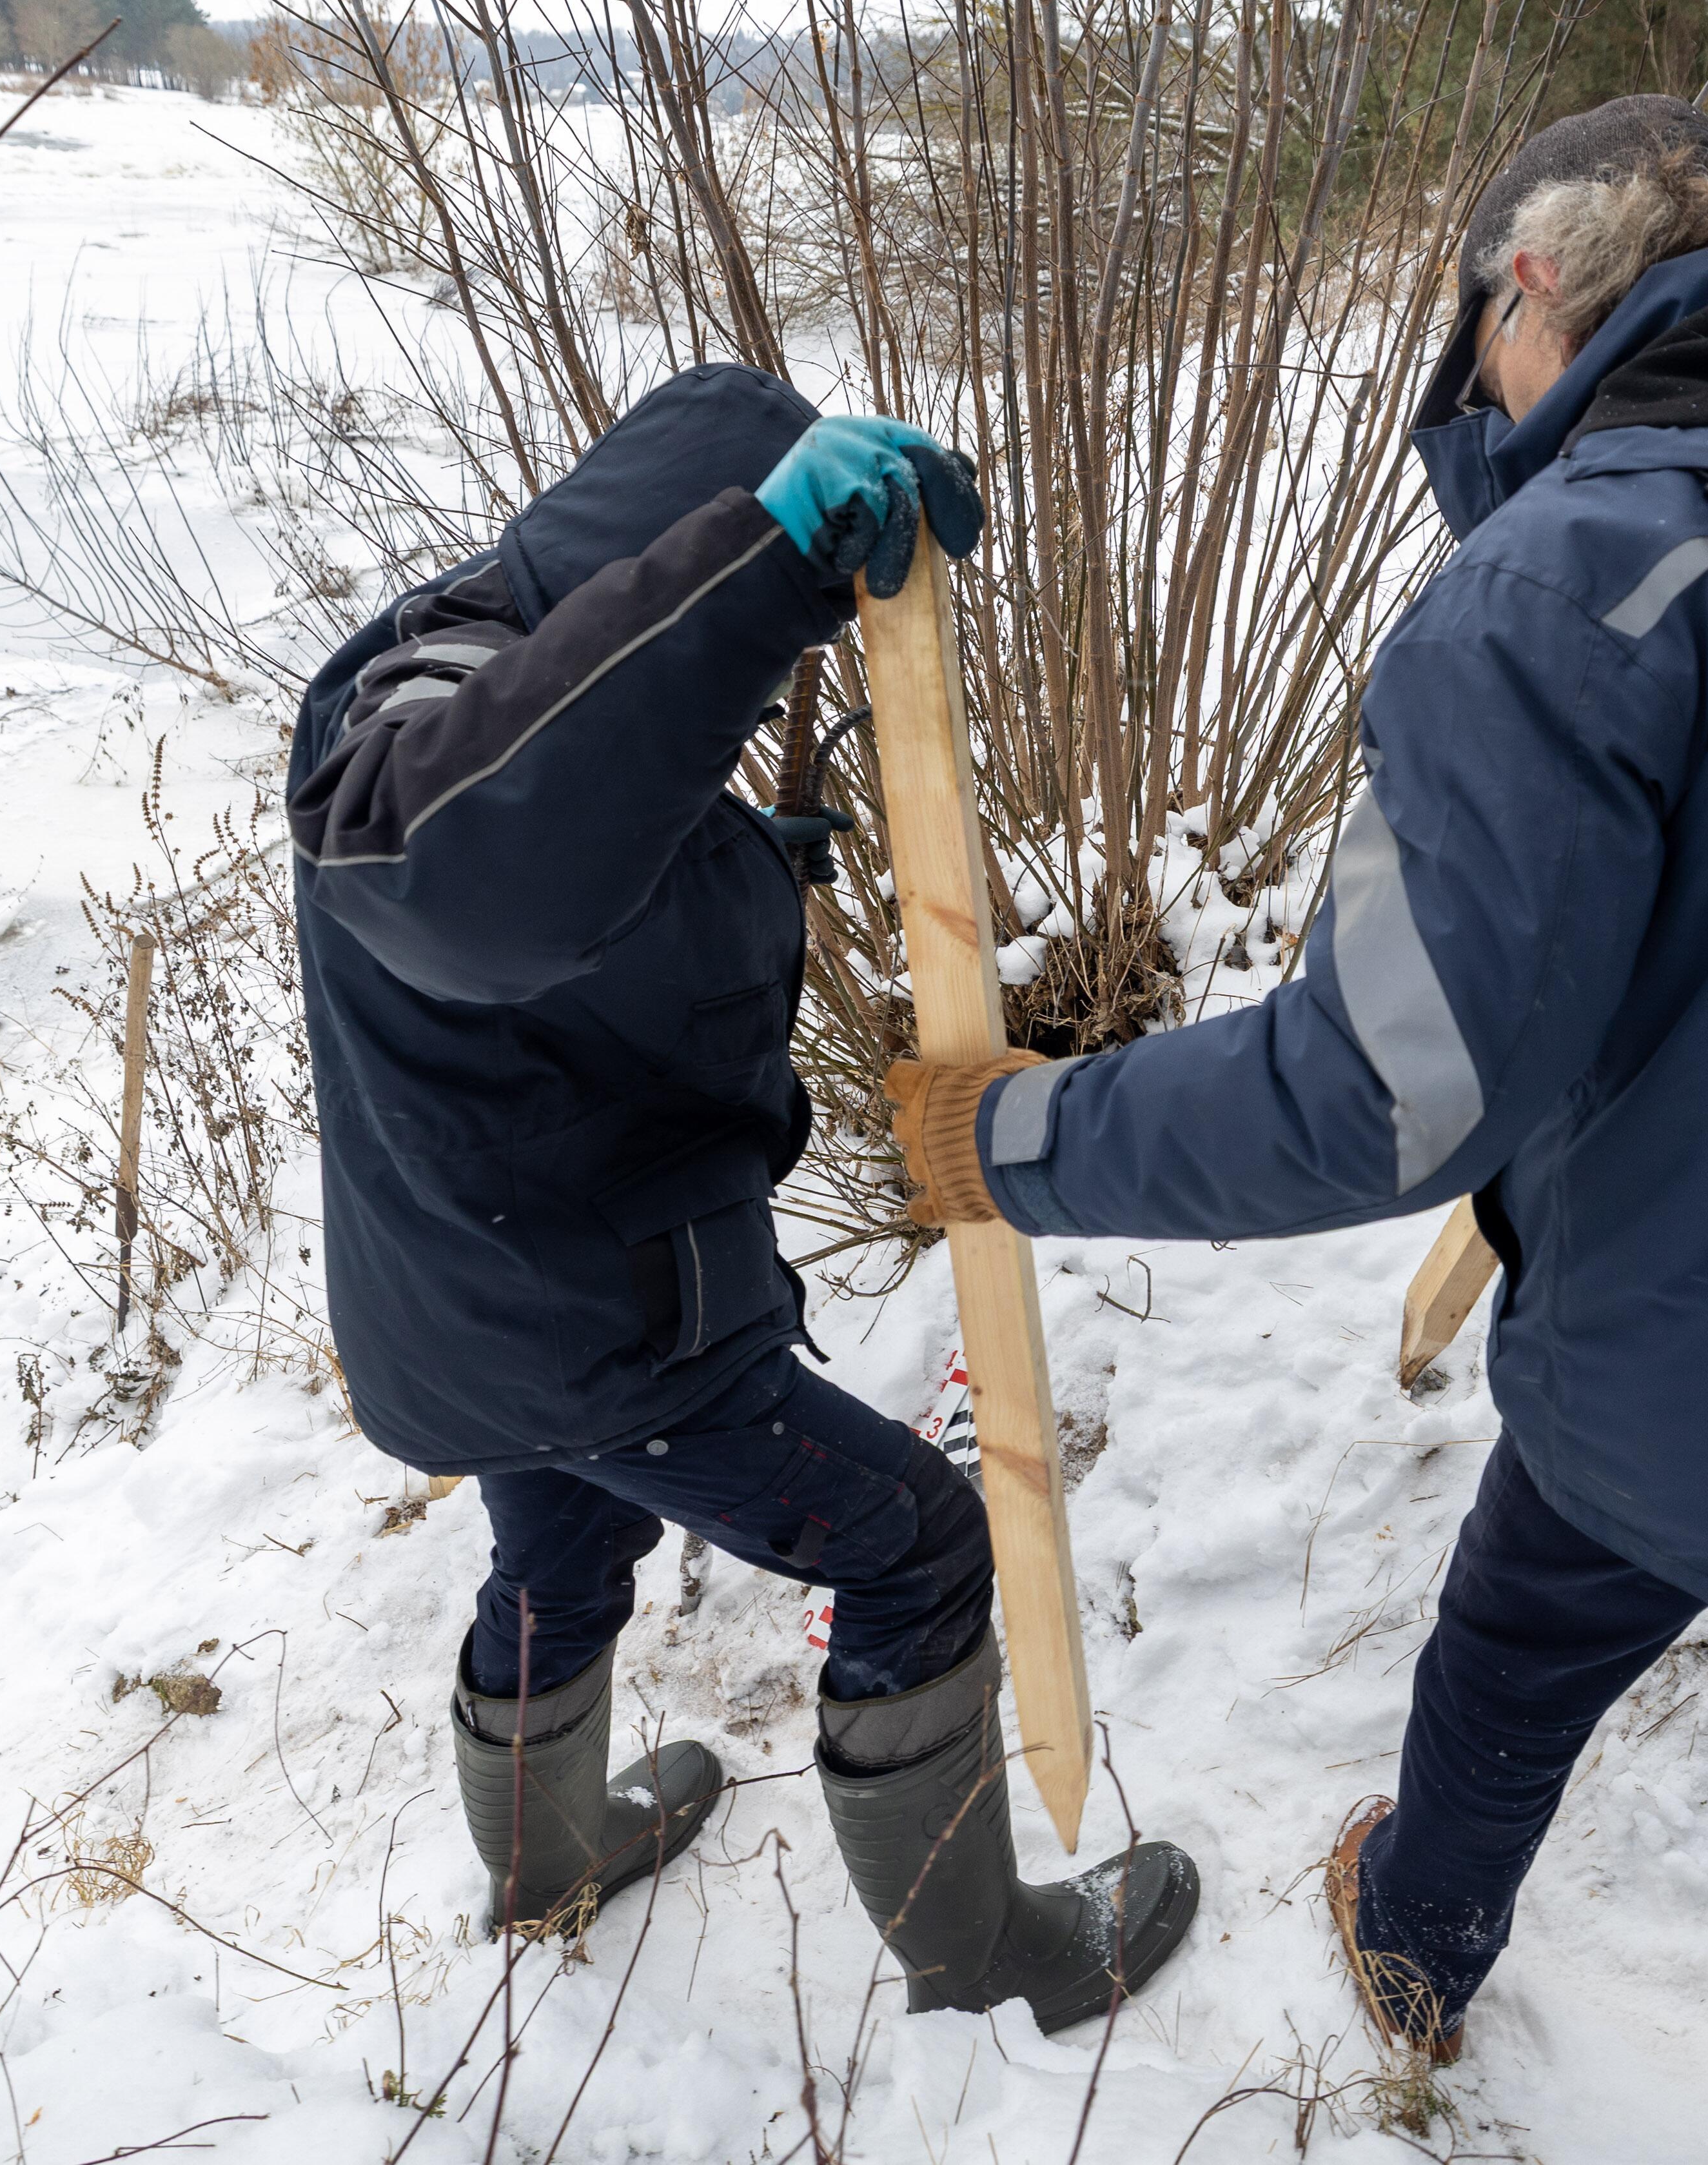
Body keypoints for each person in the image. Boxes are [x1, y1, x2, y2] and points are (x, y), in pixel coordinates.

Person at [884, 97, 1708, 2159]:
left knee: (1529, 1623)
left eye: (1472, 353)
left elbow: (1379, 1090)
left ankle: (1418, 1945)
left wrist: (1020, 1139)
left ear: (1532, 291)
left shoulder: (1585, 585)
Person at [288, 364, 1198, 2030]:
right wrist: (768, 568)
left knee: (563, 1540)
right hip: (593, 1326)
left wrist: (731, 857)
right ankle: (982, 1958)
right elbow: (465, 876)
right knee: (914, 1543)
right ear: (677, 545)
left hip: (477, 1301)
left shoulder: (530, 653)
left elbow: (580, 818)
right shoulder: (421, 700)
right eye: (777, 594)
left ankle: (542, 1866)